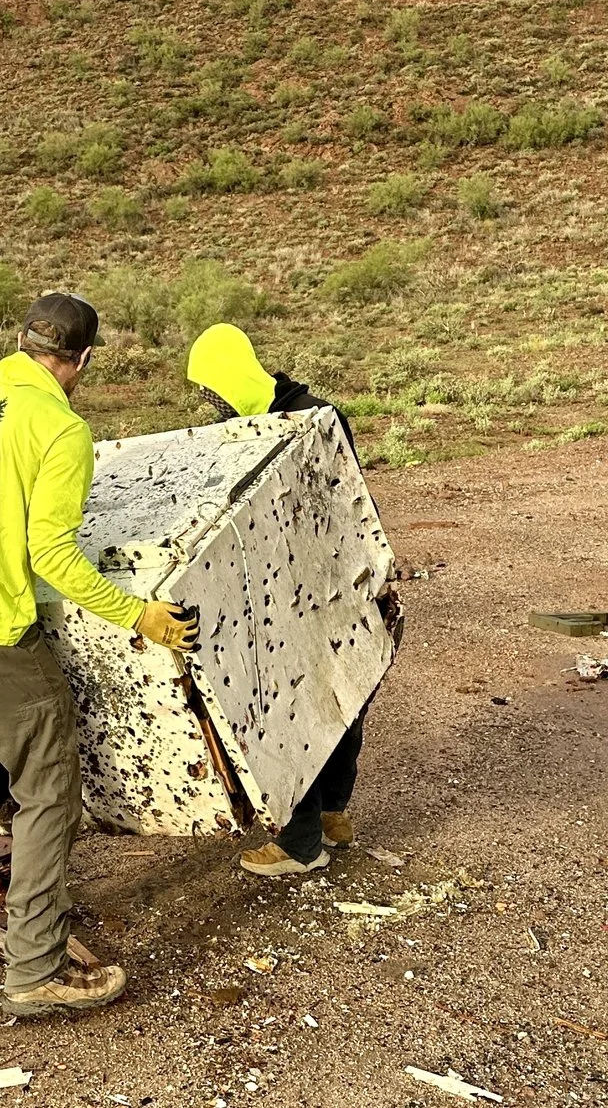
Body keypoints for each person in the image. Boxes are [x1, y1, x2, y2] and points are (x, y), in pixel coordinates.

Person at [0, 292, 196, 1018]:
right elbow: (51, 553)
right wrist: (138, 615)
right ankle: (35, 969)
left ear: (21, 343)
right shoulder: (60, 429)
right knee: (49, 784)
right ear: (79, 360)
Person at [184, 322, 390, 878]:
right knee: (336, 698)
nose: (211, 401)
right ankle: (332, 816)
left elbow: (334, 499)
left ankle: (301, 844)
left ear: (231, 376)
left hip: (308, 588)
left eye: (212, 389)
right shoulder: (290, 416)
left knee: (296, 712)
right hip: (320, 583)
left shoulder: (304, 421)